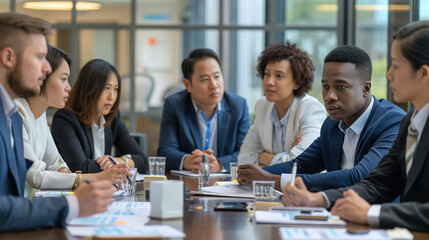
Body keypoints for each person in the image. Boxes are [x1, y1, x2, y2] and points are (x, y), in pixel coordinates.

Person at [283, 21, 429, 232]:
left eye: (396, 65)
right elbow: (379, 183)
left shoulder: (396, 120)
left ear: (424, 73)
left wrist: (370, 213)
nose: (389, 74)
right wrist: (318, 200)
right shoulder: (410, 122)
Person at [0, 12, 115, 232]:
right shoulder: (15, 115)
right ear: (8, 58)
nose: (45, 68)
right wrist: (72, 203)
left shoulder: (11, 115)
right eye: (38, 57)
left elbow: (52, 168)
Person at [238, 46, 405, 191]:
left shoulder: (392, 122)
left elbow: (359, 177)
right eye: (325, 86)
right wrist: (251, 175)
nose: (329, 96)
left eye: (340, 87)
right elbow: (301, 165)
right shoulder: (332, 125)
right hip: (336, 216)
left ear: (366, 89)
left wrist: (271, 180)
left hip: (383, 224)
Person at [16, 45, 129, 197]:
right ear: (41, 77)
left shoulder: (40, 115)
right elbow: (36, 176)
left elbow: (57, 164)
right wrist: (96, 177)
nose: (69, 87)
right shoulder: (15, 112)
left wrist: (68, 178)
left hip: (28, 205)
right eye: (63, 79)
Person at [158, 48, 250, 172]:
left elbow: (247, 152)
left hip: (226, 184)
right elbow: (166, 150)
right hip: (187, 183)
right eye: (205, 79)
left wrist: (219, 164)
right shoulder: (174, 105)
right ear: (187, 85)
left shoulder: (238, 106)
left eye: (217, 76)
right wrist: (188, 160)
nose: (214, 85)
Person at [51, 59, 147, 174]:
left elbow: (143, 161)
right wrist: (118, 167)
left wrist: (118, 161)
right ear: (89, 88)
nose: (111, 96)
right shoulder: (65, 119)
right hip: (77, 190)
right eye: (106, 88)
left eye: (115, 89)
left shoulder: (112, 118)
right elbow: (80, 168)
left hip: (106, 188)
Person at [238, 42, 325, 167]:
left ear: (297, 82)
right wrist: (286, 155)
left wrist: (262, 157)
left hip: (302, 185)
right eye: (267, 74)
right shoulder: (262, 106)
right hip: (270, 185)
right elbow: (244, 158)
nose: (269, 82)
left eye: (279, 76)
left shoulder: (310, 109)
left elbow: (301, 164)